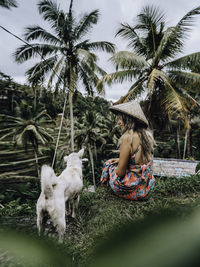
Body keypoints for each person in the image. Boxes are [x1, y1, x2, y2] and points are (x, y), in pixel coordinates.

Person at [100, 100, 155, 200]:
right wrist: (119, 160)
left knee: (108, 164)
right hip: (146, 186)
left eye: (121, 119)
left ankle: (107, 190)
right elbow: (139, 161)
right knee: (114, 162)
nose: (118, 122)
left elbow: (120, 172)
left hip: (133, 188)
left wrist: (114, 168)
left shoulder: (127, 137)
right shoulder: (146, 136)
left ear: (128, 120)